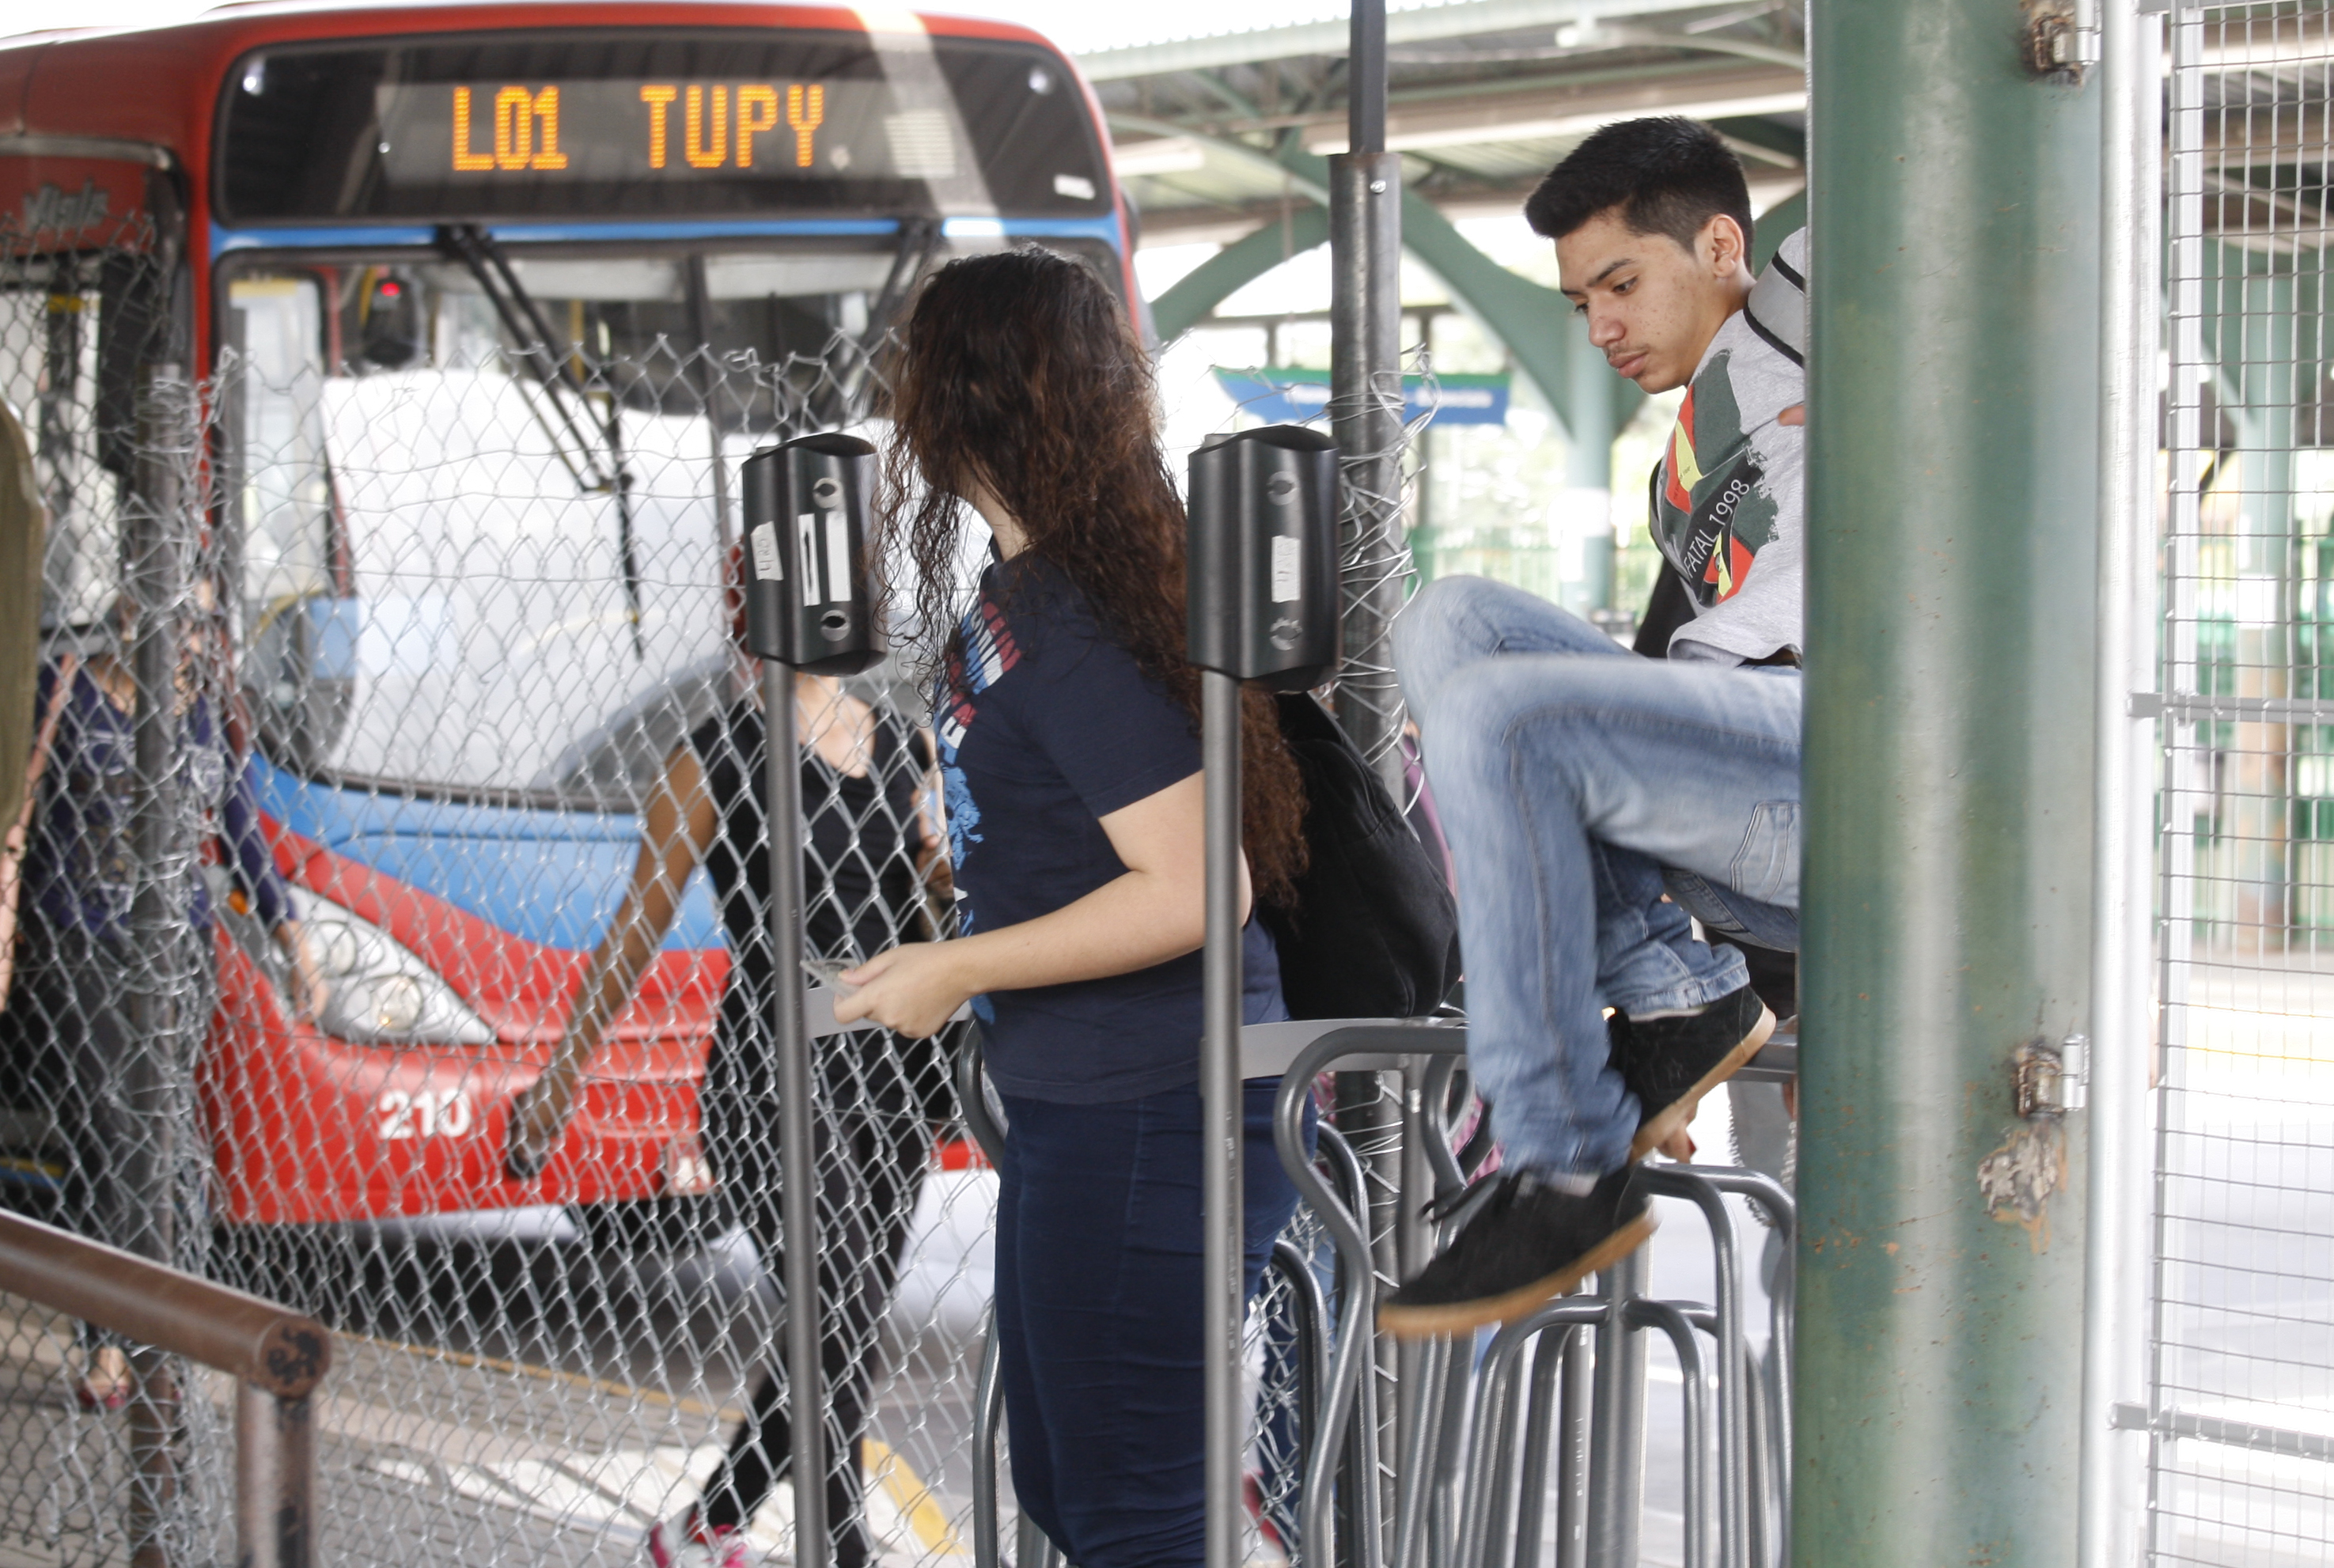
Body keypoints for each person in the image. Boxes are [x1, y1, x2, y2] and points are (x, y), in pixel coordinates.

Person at [832, 247, 1312, 1568]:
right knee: (1070, 1477)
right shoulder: (1037, 593)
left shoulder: (1076, 616)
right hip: (1097, 1103)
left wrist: (957, 965)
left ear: (969, 392)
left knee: (1131, 1511)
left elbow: (1200, 883)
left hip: (1155, 1107)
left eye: (917, 367)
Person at [1380, 117, 1808, 1338]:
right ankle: (1678, 1005)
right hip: (1743, 795)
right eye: (1579, 304)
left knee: (1501, 715)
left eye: (1620, 284)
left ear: (1719, 245)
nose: (1600, 327)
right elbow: (1634, 730)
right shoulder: (1680, 480)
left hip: (1845, 756)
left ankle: (1563, 1160)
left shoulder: (1800, 310)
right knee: (1448, 625)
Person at [504, 646, 949, 1568]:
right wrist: (560, 1078)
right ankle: (843, 1548)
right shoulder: (715, 756)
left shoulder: (909, 747)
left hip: (892, 1074)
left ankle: (704, 1525)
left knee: (844, 1323)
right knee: (832, 1308)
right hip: (769, 1071)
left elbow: (933, 905)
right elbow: (638, 924)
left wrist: (945, 871)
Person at [1, 581, 327, 1406]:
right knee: (114, 1129)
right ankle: (117, 1345)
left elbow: (240, 828)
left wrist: (292, 942)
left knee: (164, 1142)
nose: (189, 635)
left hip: (178, 953)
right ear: (127, 614)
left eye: (201, 620)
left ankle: (147, 1337)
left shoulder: (200, 714)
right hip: (77, 940)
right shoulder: (63, 690)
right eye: (173, 614)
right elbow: (16, 809)